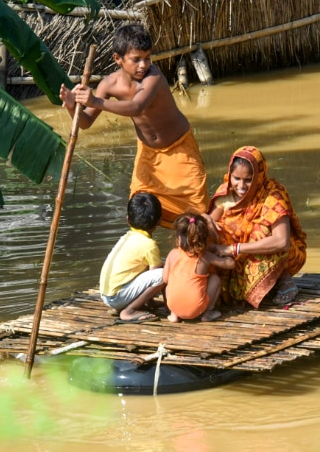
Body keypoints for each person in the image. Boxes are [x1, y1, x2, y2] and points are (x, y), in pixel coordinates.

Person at [60, 23, 207, 228]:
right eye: (136, 59)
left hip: (180, 149)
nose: (143, 65)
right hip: (148, 155)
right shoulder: (109, 85)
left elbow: (136, 107)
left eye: (147, 58)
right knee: (139, 214)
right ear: (117, 59)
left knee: (195, 219)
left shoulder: (153, 78)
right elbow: (85, 122)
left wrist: (95, 101)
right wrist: (70, 106)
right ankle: (145, 258)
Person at [209, 146, 307, 308]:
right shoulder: (225, 193)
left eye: (248, 180)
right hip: (235, 257)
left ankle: (284, 280)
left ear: (259, 176)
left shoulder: (273, 195)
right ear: (230, 175)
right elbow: (209, 226)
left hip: (274, 253)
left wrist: (235, 248)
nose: (241, 186)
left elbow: (282, 242)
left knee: (261, 232)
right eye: (236, 178)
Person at [100, 192, 165, 323]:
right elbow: (155, 274)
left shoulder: (127, 237)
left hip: (107, 295)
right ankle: (129, 311)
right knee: (164, 274)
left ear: (128, 219)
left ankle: (143, 304)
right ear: (159, 221)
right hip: (116, 298)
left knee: (148, 268)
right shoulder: (149, 245)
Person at [162, 213, 235, 322]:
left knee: (169, 285)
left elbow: (165, 279)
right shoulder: (205, 256)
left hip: (173, 305)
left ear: (178, 238)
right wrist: (221, 250)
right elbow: (230, 264)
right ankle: (207, 313)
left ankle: (174, 315)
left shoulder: (172, 253)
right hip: (196, 309)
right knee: (215, 279)